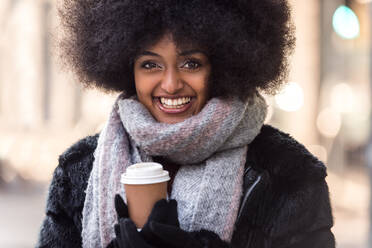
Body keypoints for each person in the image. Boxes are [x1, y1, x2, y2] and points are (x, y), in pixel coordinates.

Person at [36, 0, 335, 247]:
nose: (170, 84)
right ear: (128, 70)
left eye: (191, 63)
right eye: (150, 64)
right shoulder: (79, 171)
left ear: (223, 66)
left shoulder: (290, 174)